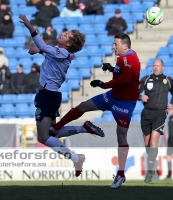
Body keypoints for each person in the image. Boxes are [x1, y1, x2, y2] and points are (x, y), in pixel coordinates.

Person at [49, 33, 141, 189]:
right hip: (113, 96)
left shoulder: (130, 59)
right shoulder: (124, 58)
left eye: (115, 44)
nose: (113, 47)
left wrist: (103, 84)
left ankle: (120, 174)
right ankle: (56, 128)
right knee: (84, 106)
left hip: (125, 102)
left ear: (124, 46)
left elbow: (124, 79)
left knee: (121, 136)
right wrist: (111, 68)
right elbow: (124, 73)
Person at [19, 15, 104, 177]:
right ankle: (82, 128)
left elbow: (45, 47)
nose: (63, 33)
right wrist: (39, 51)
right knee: (52, 132)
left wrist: (30, 26)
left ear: (69, 43)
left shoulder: (63, 53)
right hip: (50, 95)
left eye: (67, 34)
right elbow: (48, 52)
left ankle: (75, 157)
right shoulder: (62, 53)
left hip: (47, 96)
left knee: (43, 137)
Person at [139, 59, 173, 184]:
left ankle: (150, 172)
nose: (155, 67)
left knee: (153, 141)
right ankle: (153, 161)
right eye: (154, 65)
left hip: (160, 115)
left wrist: (171, 103)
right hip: (146, 114)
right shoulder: (146, 79)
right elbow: (134, 92)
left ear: (163, 67)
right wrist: (140, 96)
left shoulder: (168, 80)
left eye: (158, 65)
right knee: (147, 143)